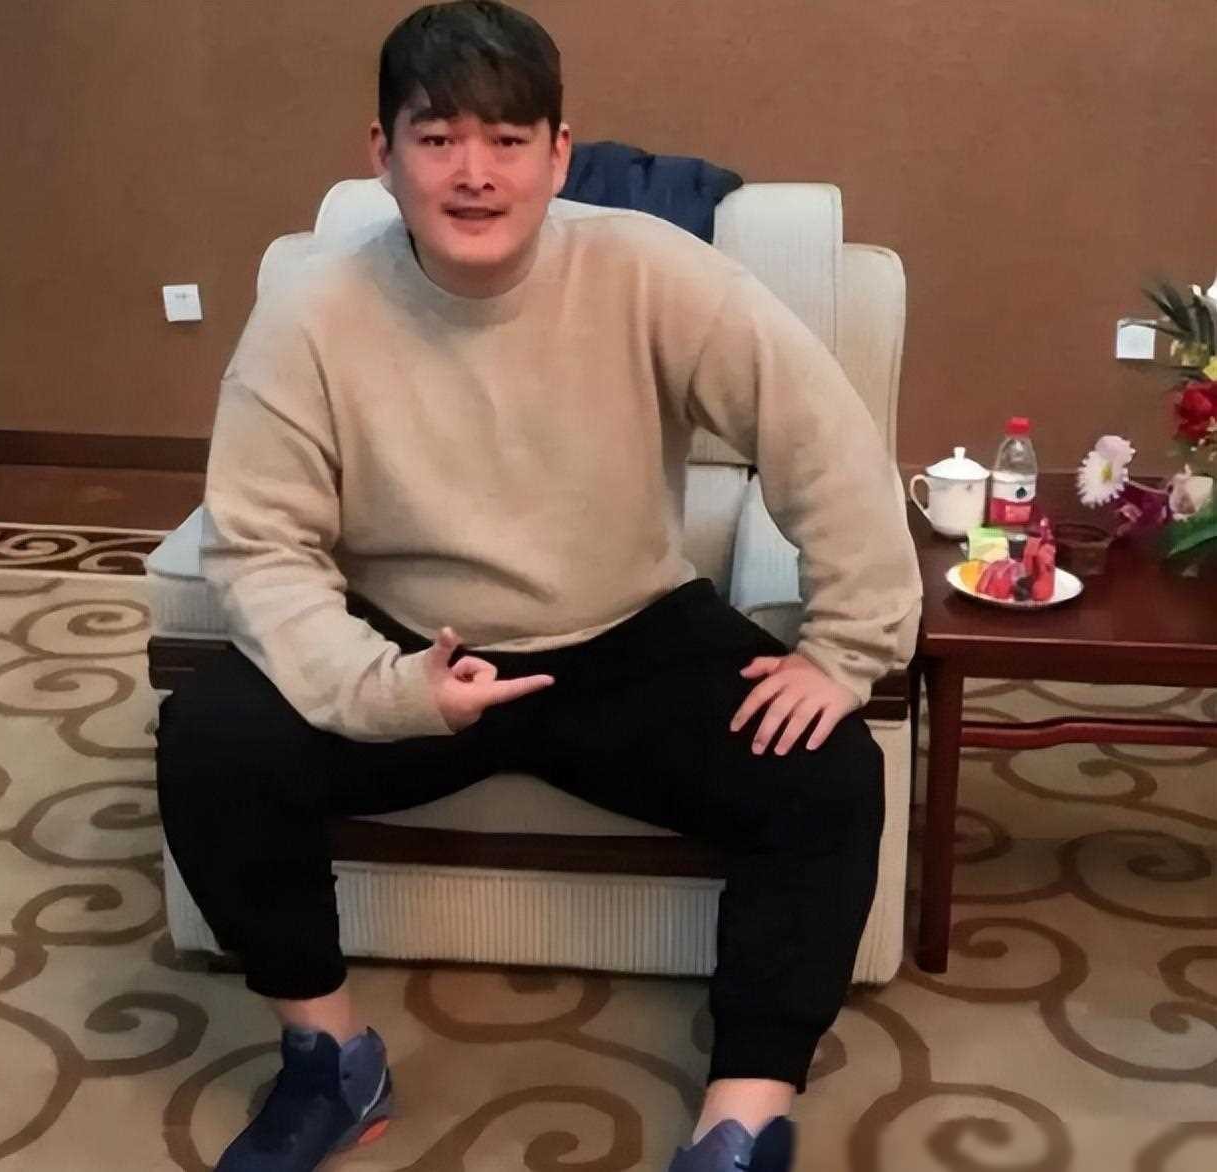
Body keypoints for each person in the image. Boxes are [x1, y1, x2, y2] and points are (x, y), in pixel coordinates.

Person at [155, 3, 922, 1169]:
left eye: (507, 140)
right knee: (211, 737)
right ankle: (330, 1056)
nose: (473, 173)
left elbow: (823, 442)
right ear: (382, 153)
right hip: (406, 641)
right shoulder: (308, 313)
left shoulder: (654, 270)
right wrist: (387, 688)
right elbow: (260, 547)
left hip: (623, 632)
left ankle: (743, 1114)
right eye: (437, 138)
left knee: (828, 774)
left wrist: (844, 646)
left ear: (558, 154)